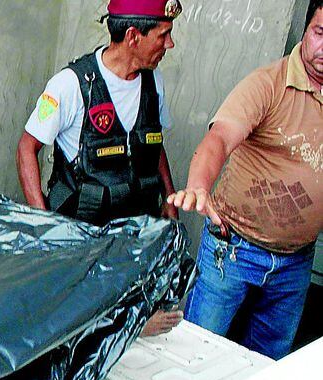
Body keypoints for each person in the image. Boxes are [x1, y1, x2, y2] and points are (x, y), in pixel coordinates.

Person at [16, 0, 183, 336]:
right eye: (163, 35)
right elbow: (26, 149)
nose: (170, 44)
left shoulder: (154, 83)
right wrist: (45, 224)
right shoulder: (70, 85)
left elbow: (152, 142)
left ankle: (131, 324)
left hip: (133, 235)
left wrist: (169, 197)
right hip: (83, 236)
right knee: (79, 324)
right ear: (133, 36)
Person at [168, 1, 323, 360]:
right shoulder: (268, 84)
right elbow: (220, 139)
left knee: (266, 365)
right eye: (321, 33)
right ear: (305, 30)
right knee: (193, 352)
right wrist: (199, 186)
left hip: (296, 260)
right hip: (234, 248)